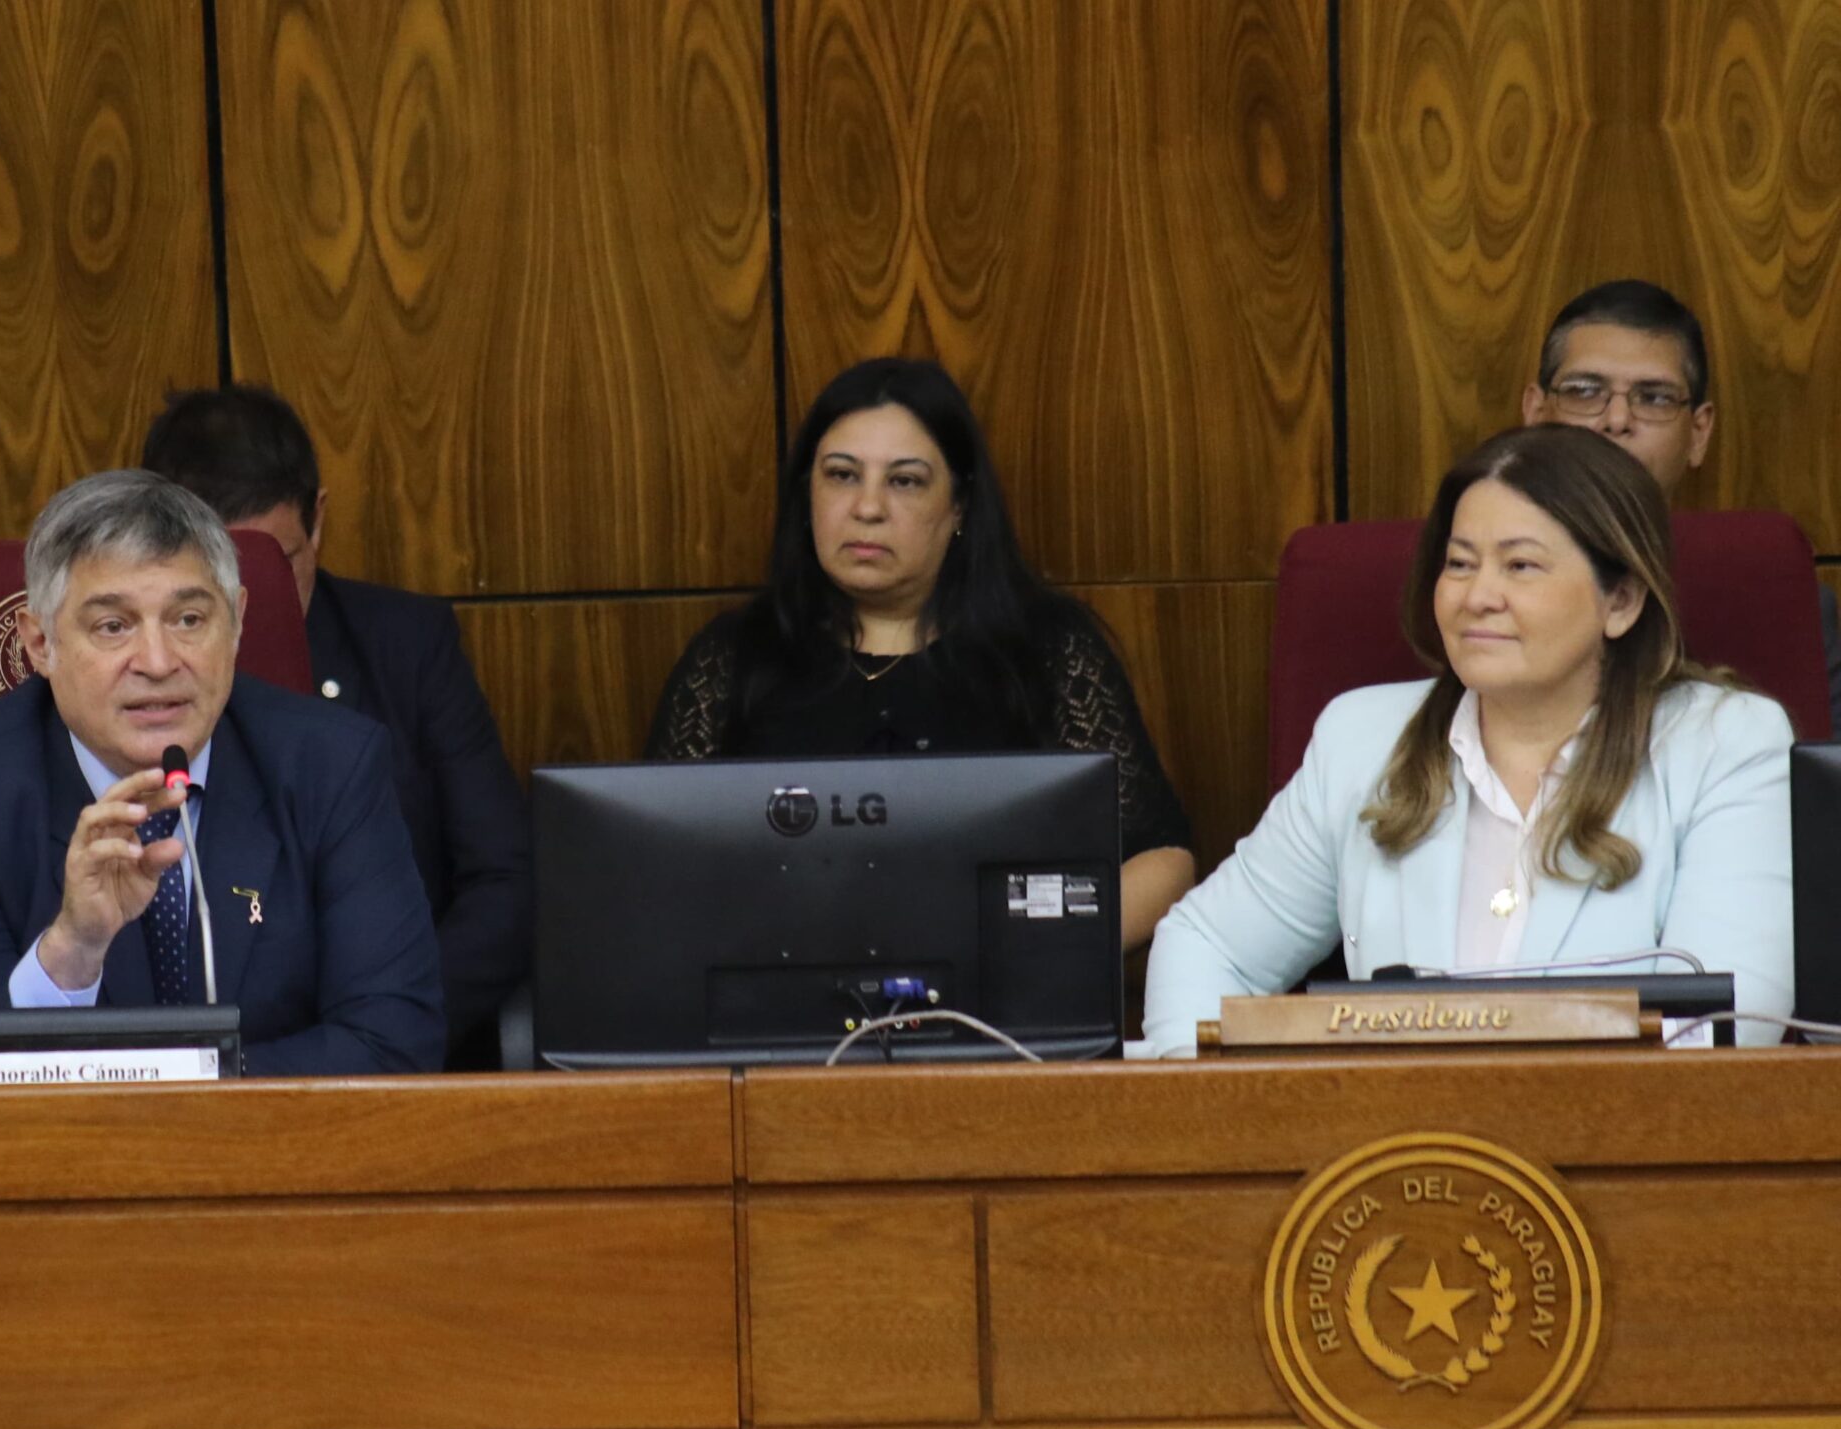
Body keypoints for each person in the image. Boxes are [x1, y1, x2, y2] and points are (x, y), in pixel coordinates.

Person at [1143, 424, 1793, 1054]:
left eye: (1521, 566)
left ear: (1620, 600)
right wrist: (1224, 1123)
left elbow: (1724, 1023)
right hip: (1387, 1152)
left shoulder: (1726, 746)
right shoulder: (1361, 739)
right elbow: (1208, 945)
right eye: (1459, 564)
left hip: (1608, 1155)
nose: (1478, 595)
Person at [0, 469, 443, 1074]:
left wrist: (188, 1093)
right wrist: (72, 948)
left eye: (189, 620)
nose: (157, 662)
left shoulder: (331, 767)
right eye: (113, 626)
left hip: (280, 1158)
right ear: (40, 644)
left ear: (238, 622)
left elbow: (394, 1042)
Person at [645, 356, 1196, 947]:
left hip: (998, 1019)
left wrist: (1036, 956)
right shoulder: (733, 662)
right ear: (806, 493)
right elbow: (649, 869)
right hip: (777, 1013)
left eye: (904, 480)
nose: (868, 508)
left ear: (958, 506)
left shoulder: (1045, 652)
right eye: (841, 475)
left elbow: (1161, 860)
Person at [138, 386, 529, 1067]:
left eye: (274, 561)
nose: (243, 602)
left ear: (317, 522)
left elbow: (506, 882)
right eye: (214, 570)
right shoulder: (127, 680)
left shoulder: (407, 645)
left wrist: (385, 1015)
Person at [1521, 277, 1841, 731]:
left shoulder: (1779, 600)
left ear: (1698, 433)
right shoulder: (1466, 588)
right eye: (1584, 391)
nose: (1616, 420)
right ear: (1535, 414)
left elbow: (1823, 788)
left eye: (1653, 398)